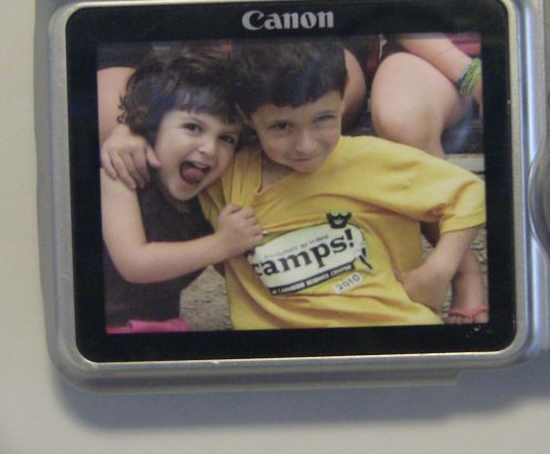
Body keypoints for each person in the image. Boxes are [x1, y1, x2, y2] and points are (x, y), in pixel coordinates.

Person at [198, 39, 486, 329]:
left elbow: (469, 192)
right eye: (282, 126)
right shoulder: (226, 177)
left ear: (343, 98)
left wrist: (438, 270)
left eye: (323, 119)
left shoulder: (369, 160)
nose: (306, 145)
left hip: (392, 329)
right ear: (246, 116)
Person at [100, 50, 263, 332]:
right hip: (104, 328)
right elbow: (134, 263)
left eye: (226, 138)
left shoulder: (212, 195)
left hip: (163, 326)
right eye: (193, 127)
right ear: (152, 127)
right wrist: (222, 244)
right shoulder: (122, 174)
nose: (209, 149)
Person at [351, 33, 488, 324]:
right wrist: (475, 78)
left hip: (528, 48)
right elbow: (400, 14)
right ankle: (461, 269)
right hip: (429, 55)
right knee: (401, 118)